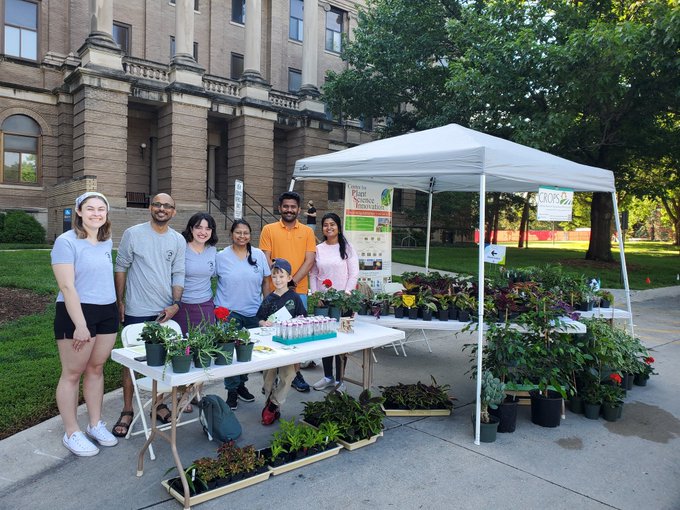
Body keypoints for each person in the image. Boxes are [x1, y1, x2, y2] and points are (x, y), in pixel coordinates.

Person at [51, 192, 119, 456]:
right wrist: (80, 324)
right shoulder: (65, 242)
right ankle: (72, 432)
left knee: (97, 368)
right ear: (78, 212)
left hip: (107, 311)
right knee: (72, 373)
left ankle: (94, 424)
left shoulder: (105, 240)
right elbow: (67, 287)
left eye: (101, 209)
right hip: (77, 312)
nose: (96, 213)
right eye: (90, 208)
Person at [112, 193, 186, 436]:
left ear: (173, 212)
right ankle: (127, 410)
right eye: (157, 204)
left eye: (167, 206)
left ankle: (158, 403)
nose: (162, 209)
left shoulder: (177, 240)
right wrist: (119, 301)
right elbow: (121, 266)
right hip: (136, 309)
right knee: (131, 363)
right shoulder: (133, 234)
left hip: (164, 311)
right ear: (150, 208)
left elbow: (178, 273)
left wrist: (175, 304)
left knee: (163, 362)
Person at [259, 191, 316, 392]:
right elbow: (266, 260)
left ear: (299, 209)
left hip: (298, 291)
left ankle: (296, 373)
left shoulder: (308, 232)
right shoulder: (268, 229)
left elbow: (309, 260)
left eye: (293, 207)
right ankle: (272, 374)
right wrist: (278, 285)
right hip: (274, 292)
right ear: (279, 208)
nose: (289, 210)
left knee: (296, 336)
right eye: (286, 206)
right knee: (273, 333)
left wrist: (291, 284)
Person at [215, 219, 270, 410]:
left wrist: (266, 306)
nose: (242, 236)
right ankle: (231, 390)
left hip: (253, 311)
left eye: (245, 233)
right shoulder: (221, 256)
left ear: (250, 235)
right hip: (228, 312)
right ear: (231, 234)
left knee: (247, 353)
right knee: (229, 354)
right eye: (238, 232)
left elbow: (265, 282)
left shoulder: (258, 255)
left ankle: (241, 385)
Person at [309, 213, 359, 393]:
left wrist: (346, 294)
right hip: (323, 302)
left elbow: (353, 274)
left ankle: (340, 379)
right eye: (325, 225)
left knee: (341, 341)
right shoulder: (319, 248)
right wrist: (316, 295)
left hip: (342, 302)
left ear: (338, 226)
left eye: (332, 224)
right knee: (325, 339)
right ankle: (328, 377)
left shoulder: (347, 248)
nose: (329, 228)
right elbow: (313, 273)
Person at [257, 258, 307, 425]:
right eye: (274, 276)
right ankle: (269, 403)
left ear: (289, 277)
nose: (278, 280)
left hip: (289, 344)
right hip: (270, 344)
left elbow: (303, 318)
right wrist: (263, 323)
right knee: (269, 376)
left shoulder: (295, 298)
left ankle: (273, 405)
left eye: (281, 276)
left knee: (289, 374)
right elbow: (260, 318)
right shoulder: (269, 299)